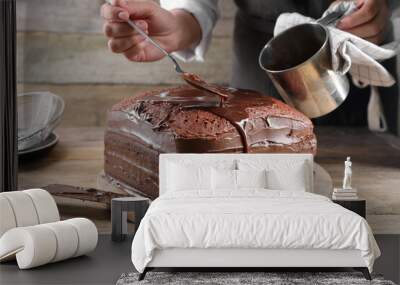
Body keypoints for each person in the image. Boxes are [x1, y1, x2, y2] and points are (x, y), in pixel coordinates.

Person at [101, 0, 399, 133]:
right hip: (262, 77)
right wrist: (177, 26)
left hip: (376, 66)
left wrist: (386, 12)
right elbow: (196, 6)